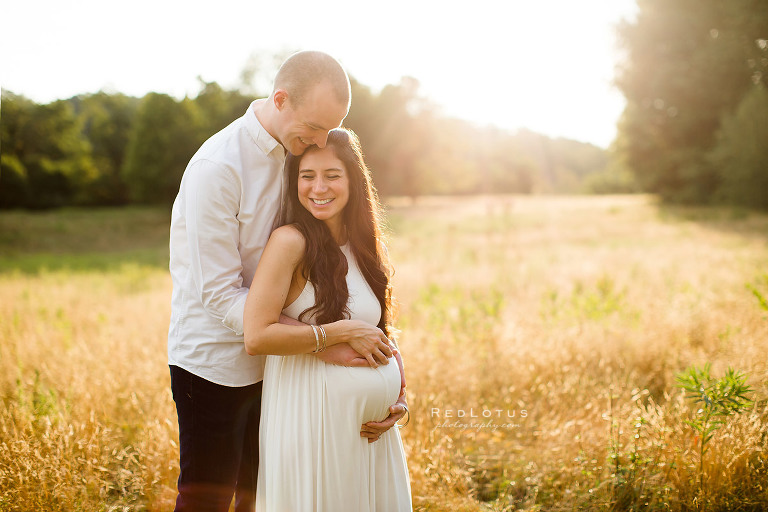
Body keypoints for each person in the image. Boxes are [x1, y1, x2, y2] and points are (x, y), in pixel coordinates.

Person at [167, 51, 407, 512]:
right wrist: (321, 339)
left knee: (263, 495)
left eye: (330, 128)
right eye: (315, 127)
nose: (321, 140)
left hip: (284, 369)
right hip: (217, 364)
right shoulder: (218, 168)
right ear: (281, 99)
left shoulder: (295, 150)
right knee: (208, 498)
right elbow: (218, 293)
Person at [243, 128, 412, 511]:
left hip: (373, 436)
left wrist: (400, 395)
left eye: (332, 175)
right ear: (295, 182)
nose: (319, 187)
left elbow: (382, 332)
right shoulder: (290, 242)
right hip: (311, 422)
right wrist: (341, 332)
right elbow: (257, 335)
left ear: (353, 180)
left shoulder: (365, 245)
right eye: (307, 176)